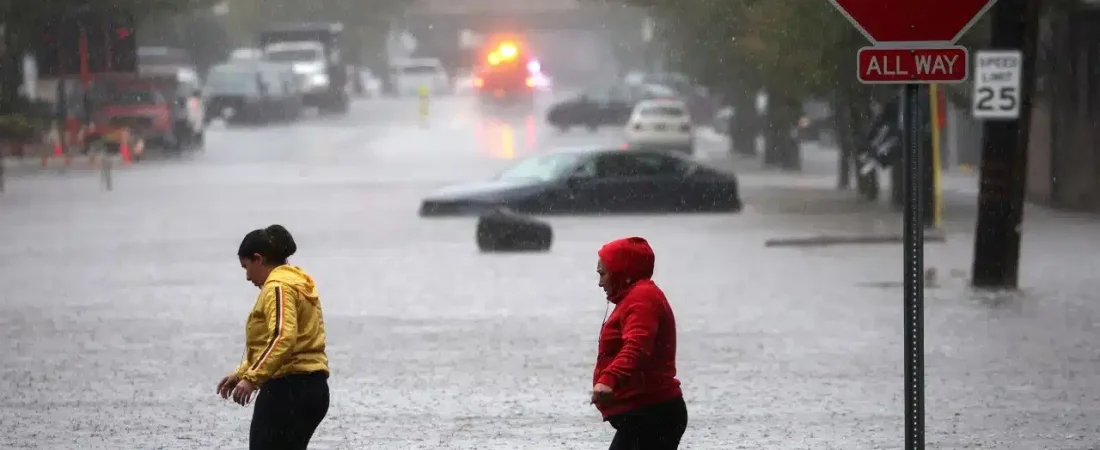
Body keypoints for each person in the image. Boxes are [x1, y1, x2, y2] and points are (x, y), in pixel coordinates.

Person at [216, 225, 330, 450]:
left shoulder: (277, 287)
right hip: (313, 388)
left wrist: (252, 378)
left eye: (246, 267)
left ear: (258, 259)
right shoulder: (297, 282)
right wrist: (241, 373)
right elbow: (289, 342)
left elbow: (282, 337)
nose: (247, 277)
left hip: (288, 390)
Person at [591, 237, 687, 450]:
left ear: (621, 271)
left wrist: (609, 379)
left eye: (602, 274)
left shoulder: (642, 298)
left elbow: (637, 345)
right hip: (644, 413)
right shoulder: (634, 297)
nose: (600, 282)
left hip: (654, 413)